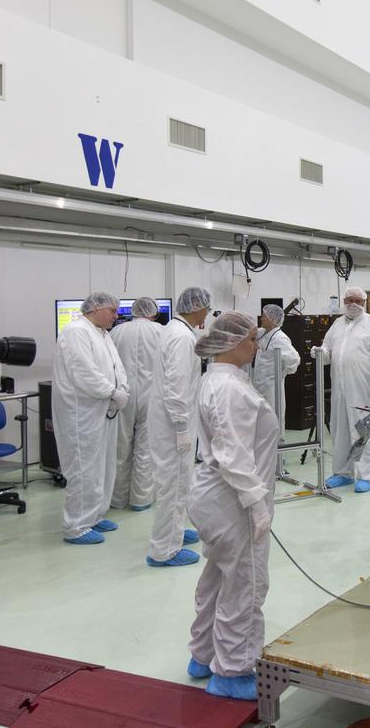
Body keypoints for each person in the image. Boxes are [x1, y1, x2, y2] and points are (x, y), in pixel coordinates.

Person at [185, 311, 279, 701]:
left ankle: (203, 655)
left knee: (217, 577)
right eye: (252, 339)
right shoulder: (229, 389)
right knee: (245, 582)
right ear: (232, 343)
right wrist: (256, 503)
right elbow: (233, 455)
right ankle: (234, 670)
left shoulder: (220, 380)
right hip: (232, 500)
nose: (256, 345)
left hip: (215, 497)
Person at [54, 291, 129, 545]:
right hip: (83, 415)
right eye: (112, 311)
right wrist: (111, 392)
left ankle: (95, 515)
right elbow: (84, 372)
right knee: (84, 468)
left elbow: (117, 367)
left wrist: (123, 389)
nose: (116, 316)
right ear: (95, 309)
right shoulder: (76, 332)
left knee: (104, 466)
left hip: (104, 411)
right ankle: (76, 526)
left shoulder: (103, 334)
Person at [146, 286, 211, 567]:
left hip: (168, 420)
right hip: (173, 424)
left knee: (177, 483)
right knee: (173, 485)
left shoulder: (174, 330)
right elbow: (176, 387)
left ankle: (174, 532)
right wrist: (182, 426)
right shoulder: (182, 338)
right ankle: (163, 551)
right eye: (206, 308)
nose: (208, 312)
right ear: (196, 307)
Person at [312, 286, 370, 493]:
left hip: (365, 388)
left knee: (362, 431)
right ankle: (342, 473)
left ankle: (367, 476)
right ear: (344, 301)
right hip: (339, 388)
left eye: (358, 300)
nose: (353, 304)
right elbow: (329, 351)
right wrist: (321, 352)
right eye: (349, 300)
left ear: (364, 303)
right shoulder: (337, 324)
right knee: (339, 431)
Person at [110, 297, 164, 511]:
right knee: (145, 448)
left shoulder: (117, 332)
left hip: (123, 394)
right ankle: (140, 499)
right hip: (152, 395)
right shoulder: (161, 331)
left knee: (120, 448)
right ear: (153, 313)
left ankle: (117, 498)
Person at [250, 304, 300, 425]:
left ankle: (277, 443)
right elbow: (251, 333)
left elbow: (294, 359)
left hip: (272, 388)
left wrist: (280, 374)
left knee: (272, 420)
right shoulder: (264, 333)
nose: (261, 319)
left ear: (272, 319)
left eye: (264, 316)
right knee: (261, 421)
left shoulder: (280, 338)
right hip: (259, 385)